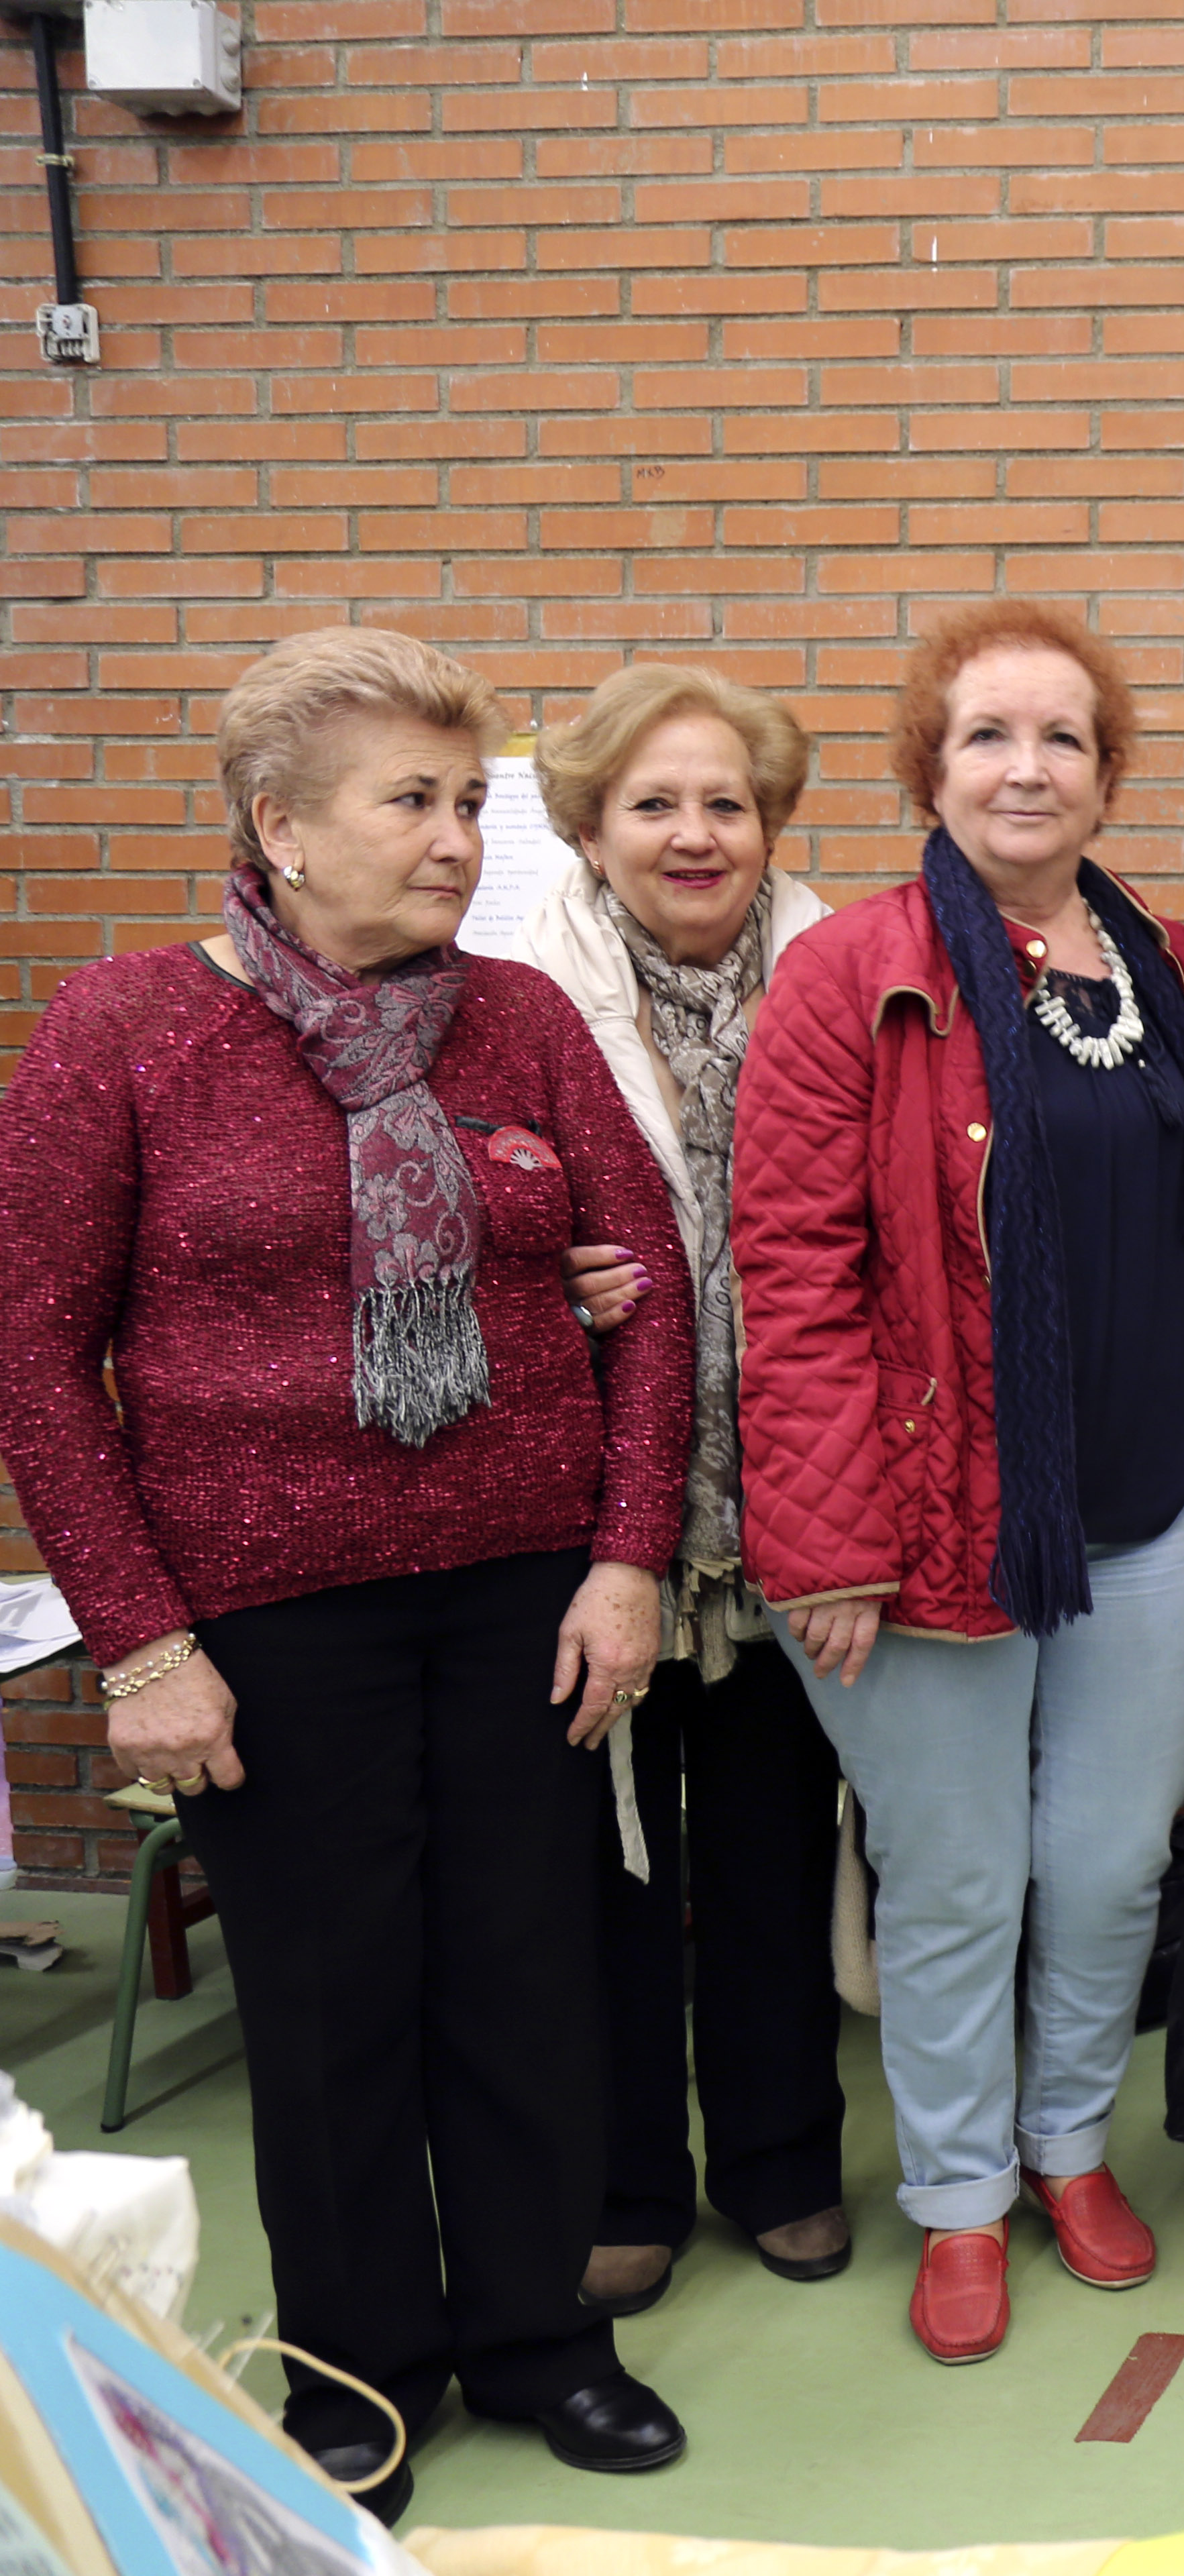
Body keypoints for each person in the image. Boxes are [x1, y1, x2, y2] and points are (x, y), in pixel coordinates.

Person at [0, 627, 698, 2512]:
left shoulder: (520, 1021)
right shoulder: (124, 1030)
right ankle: (357, 2382)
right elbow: (35, 1357)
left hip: (523, 1592)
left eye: (469, 801)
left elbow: (653, 1297)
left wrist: (629, 1559)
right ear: (281, 828)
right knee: (326, 2011)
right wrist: (142, 1644)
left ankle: (544, 2341)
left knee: (529, 1978)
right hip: (266, 1617)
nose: (459, 838)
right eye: (414, 802)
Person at [731, 600, 1184, 2367]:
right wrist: (825, 1544)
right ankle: (958, 2193)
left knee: (1105, 1867)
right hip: (931, 1510)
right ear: (929, 771)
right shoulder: (850, 971)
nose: (1029, 768)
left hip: (1152, 1495)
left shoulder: (1175, 970)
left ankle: (1069, 2145)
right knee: (955, 1880)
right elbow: (792, 1273)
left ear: (1109, 773)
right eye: (989, 737)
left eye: (1063, 738)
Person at [521, 664, 851, 2319]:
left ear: (773, 826)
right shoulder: (514, 998)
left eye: (728, 802)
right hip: (602, 1512)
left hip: (795, 1499)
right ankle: (628, 2185)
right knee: (611, 1873)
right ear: (590, 828)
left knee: (778, 1852)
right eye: (654, 803)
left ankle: (784, 2164)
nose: (695, 833)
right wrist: (540, 1276)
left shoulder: (848, 973)